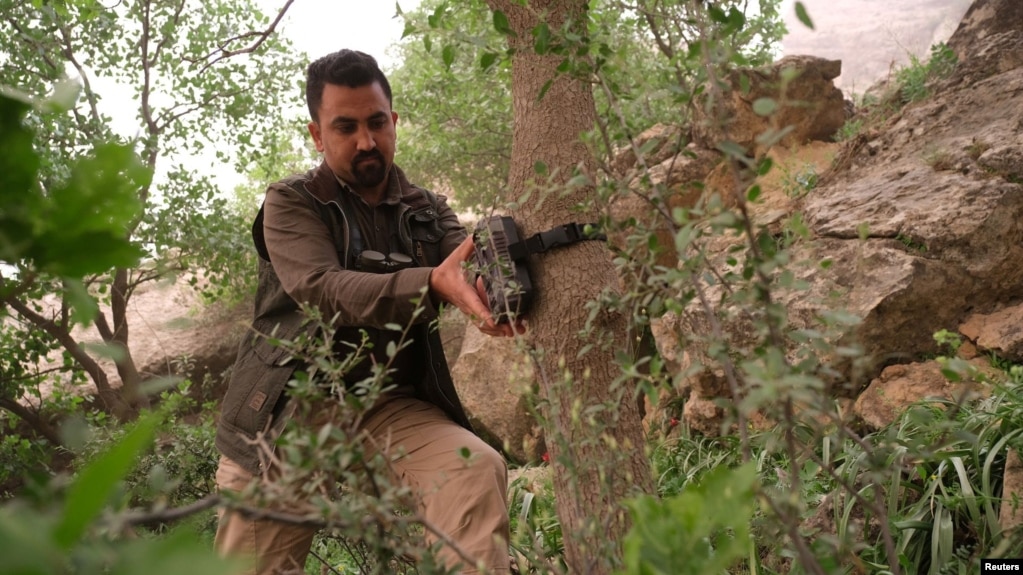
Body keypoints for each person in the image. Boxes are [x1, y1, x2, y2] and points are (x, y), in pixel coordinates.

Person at [213, 49, 516, 575]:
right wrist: (431, 283)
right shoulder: (290, 202)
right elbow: (322, 289)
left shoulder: (427, 208)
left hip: (387, 405)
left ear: (394, 120)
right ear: (317, 134)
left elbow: (463, 261)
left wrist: (497, 286)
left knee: (474, 469)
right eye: (345, 126)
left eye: (377, 122)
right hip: (289, 414)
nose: (366, 141)